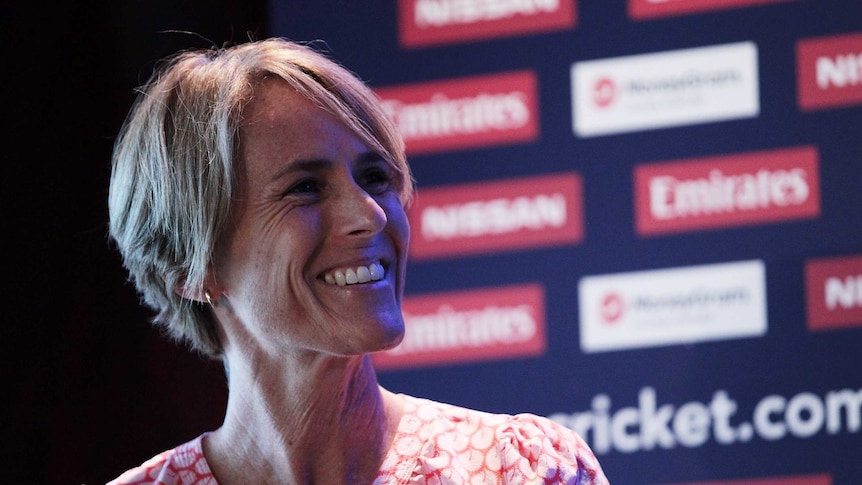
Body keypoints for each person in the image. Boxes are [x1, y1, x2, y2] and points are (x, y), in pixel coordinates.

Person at [107, 37, 610, 484]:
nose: (370, 215)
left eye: (374, 177)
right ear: (193, 268)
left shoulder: (519, 470)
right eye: (305, 188)